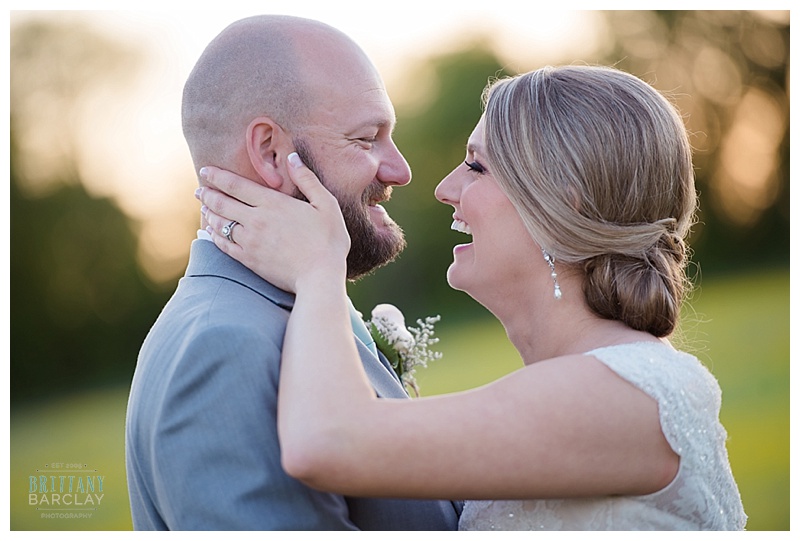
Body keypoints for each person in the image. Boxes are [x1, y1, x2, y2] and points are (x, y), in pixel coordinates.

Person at [197, 64, 748, 530]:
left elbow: (325, 443)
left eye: (477, 166)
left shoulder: (635, 397)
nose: (443, 188)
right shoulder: (588, 385)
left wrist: (319, 269)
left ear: (564, 204)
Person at [125, 15, 461, 530]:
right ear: (271, 153)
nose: (400, 170)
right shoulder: (223, 349)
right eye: (367, 138)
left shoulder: (303, 306)